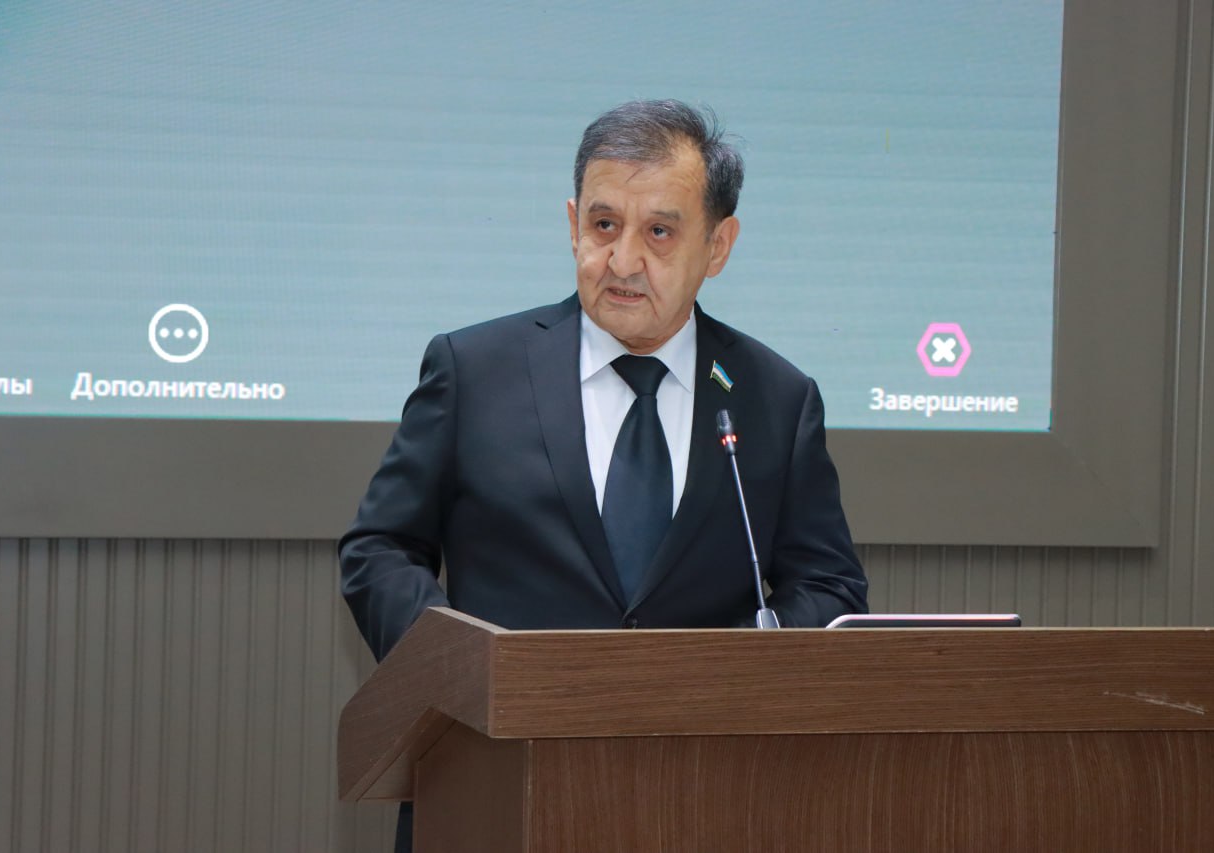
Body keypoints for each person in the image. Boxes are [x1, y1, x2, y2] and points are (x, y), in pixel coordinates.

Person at [339, 99, 868, 851]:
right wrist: (457, 670)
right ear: (572, 224)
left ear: (718, 245)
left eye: (659, 232)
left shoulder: (775, 397)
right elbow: (380, 548)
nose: (622, 261)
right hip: (492, 785)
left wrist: (738, 666)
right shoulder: (474, 369)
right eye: (604, 224)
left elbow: (830, 585)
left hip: (705, 794)